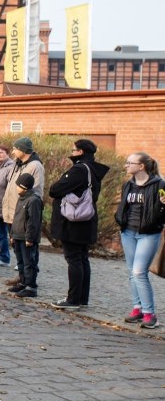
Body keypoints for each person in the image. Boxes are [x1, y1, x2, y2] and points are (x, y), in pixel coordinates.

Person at [48, 139, 110, 310]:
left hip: (74, 222)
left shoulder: (79, 169)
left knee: (74, 258)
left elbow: (55, 189)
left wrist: (57, 185)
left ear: (80, 152)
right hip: (86, 220)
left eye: (74, 150)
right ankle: (82, 298)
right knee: (82, 258)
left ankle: (73, 299)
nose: (72, 152)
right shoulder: (93, 169)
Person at [114, 152, 165, 329]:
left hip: (149, 234)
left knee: (138, 272)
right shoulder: (128, 184)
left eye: (130, 162)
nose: (126, 165)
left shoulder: (159, 184)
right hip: (128, 232)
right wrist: (119, 218)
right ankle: (138, 309)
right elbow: (124, 206)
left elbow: (161, 210)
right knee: (131, 272)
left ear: (141, 166)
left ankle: (150, 315)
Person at [1, 136, 44, 281]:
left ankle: (29, 279)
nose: (13, 152)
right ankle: (22, 276)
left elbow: (35, 191)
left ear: (23, 150)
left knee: (28, 251)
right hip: (13, 212)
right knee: (17, 249)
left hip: (23, 213)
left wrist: (25, 211)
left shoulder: (35, 166)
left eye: (15, 149)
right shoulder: (17, 164)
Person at [8, 173, 43, 298]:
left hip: (27, 238)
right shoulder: (21, 198)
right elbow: (16, 218)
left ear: (25, 187)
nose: (16, 187)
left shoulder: (33, 200)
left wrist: (29, 238)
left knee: (29, 262)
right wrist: (12, 234)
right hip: (18, 235)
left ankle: (31, 286)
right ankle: (23, 282)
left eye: (18, 185)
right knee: (21, 262)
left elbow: (33, 221)